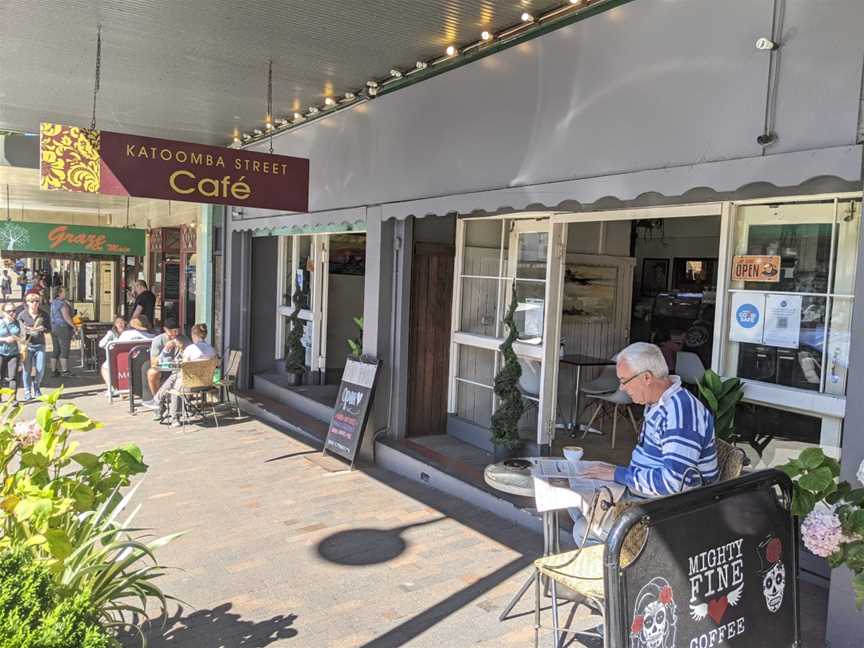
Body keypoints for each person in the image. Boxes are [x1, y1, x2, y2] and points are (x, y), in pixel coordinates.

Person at [569, 342, 718, 545]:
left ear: (646, 377)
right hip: (644, 495)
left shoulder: (681, 414)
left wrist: (617, 474)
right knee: (575, 497)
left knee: (582, 529)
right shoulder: (658, 402)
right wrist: (617, 474)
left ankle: (625, 572)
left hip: (668, 510)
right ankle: (616, 557)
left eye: (624, 381)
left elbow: (672, 484)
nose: (621, 387)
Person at [142, 323, 215, 426]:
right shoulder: (211, 349)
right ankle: (160, 402)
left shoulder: (190, 349)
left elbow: (183, 367)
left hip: (191, 386)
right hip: (206, 384)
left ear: (193, 335)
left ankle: (172, 415)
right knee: (177, 379)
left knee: (176, 382)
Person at [145, 318, 190, 397]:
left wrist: (182, 347)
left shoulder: (183, 338)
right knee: (151, 373)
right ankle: (157, 399)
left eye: (176, 331)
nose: (175, 334)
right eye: (172, 331)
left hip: (180, 366)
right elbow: (153, 363)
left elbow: (191, 354)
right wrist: (165, 350)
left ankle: (185, 397)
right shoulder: (158, 340)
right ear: (165, 329)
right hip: (164, 366)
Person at [17, 293, 48, 401]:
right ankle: (27, 391)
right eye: (31, 301)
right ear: (27, 303)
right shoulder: (22, 315)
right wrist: (26, 329)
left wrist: (42, 328)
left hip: (40, 345)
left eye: (36, 301)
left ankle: (36, 385)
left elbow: (49, 328)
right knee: (27, 369)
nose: (34, 303)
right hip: (27, 345)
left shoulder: (43, 314)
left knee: (41, 369)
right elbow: (18, 330)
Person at [49, 287, 77, 378]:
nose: (66, 293)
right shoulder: (62, 304)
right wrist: (74, 326)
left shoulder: (54, 302)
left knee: (56, 349)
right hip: (63, 328)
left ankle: (53, 370)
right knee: (64, 349)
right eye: (64, 292)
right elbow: (66, 317)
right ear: (60, 293)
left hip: (54, 327)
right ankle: (65, 370)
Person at [99, 316, 127, 397]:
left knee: (105, 367)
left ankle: (118, 388)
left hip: (124, 357)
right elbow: (101, 344)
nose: (120, 324)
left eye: (122, 322)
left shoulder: (128, 332)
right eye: (118, 322)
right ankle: (111, 388)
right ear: (115, 324)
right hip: (116, 357)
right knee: (105, 366)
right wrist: (110, 347)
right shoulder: (111, 333)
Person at [0, 303, 21, 402]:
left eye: (14, 311)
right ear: (3, 312)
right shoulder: (1, 323)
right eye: (9, 311)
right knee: (0, 376)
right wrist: (5, 339)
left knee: (13, 377)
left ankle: (13, 399)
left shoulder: (17, 322)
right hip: (1, 353)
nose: (12, 313)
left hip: (14, 353)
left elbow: (22, 337)